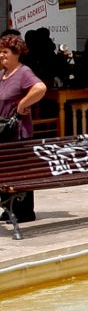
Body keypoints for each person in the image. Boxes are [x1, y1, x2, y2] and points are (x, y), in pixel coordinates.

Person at [0, 31, 48, 223]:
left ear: (16, 52)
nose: (2, 55)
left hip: (18, 132)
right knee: (4, 170)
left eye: (5, 52)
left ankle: (24, 211)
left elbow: (40, 88)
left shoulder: (23, 72)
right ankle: (8, 208)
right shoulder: (2, 74)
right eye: (0, 52)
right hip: (3, 131)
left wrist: (23, 104)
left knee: (20, 170)